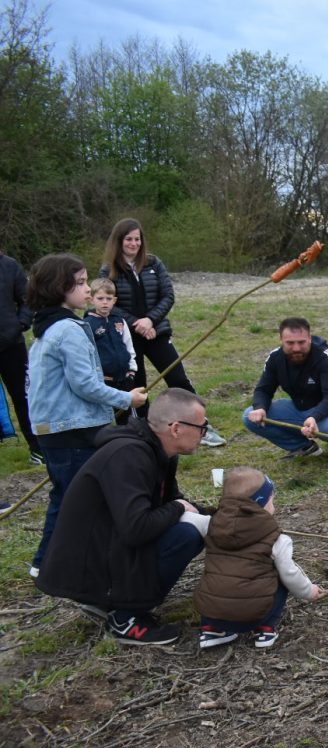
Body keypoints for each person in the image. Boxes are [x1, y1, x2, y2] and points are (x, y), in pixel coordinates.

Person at [35, 388, 211, 645]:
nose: (203, 434)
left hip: (105, 550)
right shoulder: (129, 455)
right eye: (201, 427)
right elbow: (137, 528)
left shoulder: (159, 453)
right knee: (187, 535)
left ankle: (110, 601)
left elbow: (170, 501)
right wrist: (180, 509)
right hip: (86, 566)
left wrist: (221, 515)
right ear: (175, 428)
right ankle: (127, 616)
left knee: (191, 523)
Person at [25, 253, 147, 578]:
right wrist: (127, 398)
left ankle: (56, 561)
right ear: (58, 288)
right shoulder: (68, 330)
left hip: (57, 428)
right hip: (73, 429)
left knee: (69, 495)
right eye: (80, 284)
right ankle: (49, 563)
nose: (88, 292)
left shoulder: (46, 329)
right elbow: (85, 385)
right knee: (73, 498)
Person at [100, 218, 226, 446]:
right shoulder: (109, 270)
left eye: (137, 239)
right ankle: (146, 434)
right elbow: (108, 303)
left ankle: (201, 427)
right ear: (119, 241)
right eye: (129, 239)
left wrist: (150, 321)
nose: (134, 243)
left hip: (156, 333)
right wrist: (137, 323)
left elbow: (168, 295)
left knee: (178, 378)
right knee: (139, 386)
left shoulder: (154, 263)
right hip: (128, 337)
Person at [194, 466, 325, 650]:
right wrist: (308, 591)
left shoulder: (210, 526)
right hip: (254, 616)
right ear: (261, 503)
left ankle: (212, 630)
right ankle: (264, 628)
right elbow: (290, 574)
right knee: (279, 575)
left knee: (218, 576)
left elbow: (188, 519)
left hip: (212, 612)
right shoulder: (277, 539)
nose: (274, 505)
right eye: (272, 500)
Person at [242, 317, 328, 470]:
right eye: (290, 343)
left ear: (309, 338)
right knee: (249, 416)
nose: (296, 348)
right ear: (281, 340)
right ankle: (304, 447)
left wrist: (314, 417)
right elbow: (263, 389)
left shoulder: (326, 356)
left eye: (301, 342)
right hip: (300, 409)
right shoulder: (275, 358)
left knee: (326, 425)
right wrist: (260, 407)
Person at [0, 248, 42, 465]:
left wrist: (20, 324)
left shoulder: (9, 265)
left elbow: (28, 299)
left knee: (25, 397)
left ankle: (37, 448)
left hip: (11, 345)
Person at [85, 277, 138, 405]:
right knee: (107, 414)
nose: (105, 302)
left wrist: (131, 369)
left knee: (126, 414)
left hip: (124, 377)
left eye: (109, 299)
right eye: (100, 298)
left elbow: (128, 345)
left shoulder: (120, 321)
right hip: (103, 380)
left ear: (114, 301)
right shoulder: (87, 324)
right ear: (91, 299)